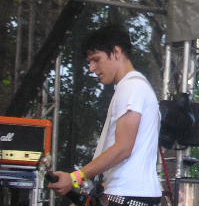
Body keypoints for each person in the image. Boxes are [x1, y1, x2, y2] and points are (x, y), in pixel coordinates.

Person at [48, 25, 162, 206]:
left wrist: (75, 178)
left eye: (96, 59)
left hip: (128, 196)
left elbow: (123, 148)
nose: (92, 68)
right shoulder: (131, 87)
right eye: (89, 62)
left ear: (116, 52)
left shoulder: (132, 87)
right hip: (126, 194)